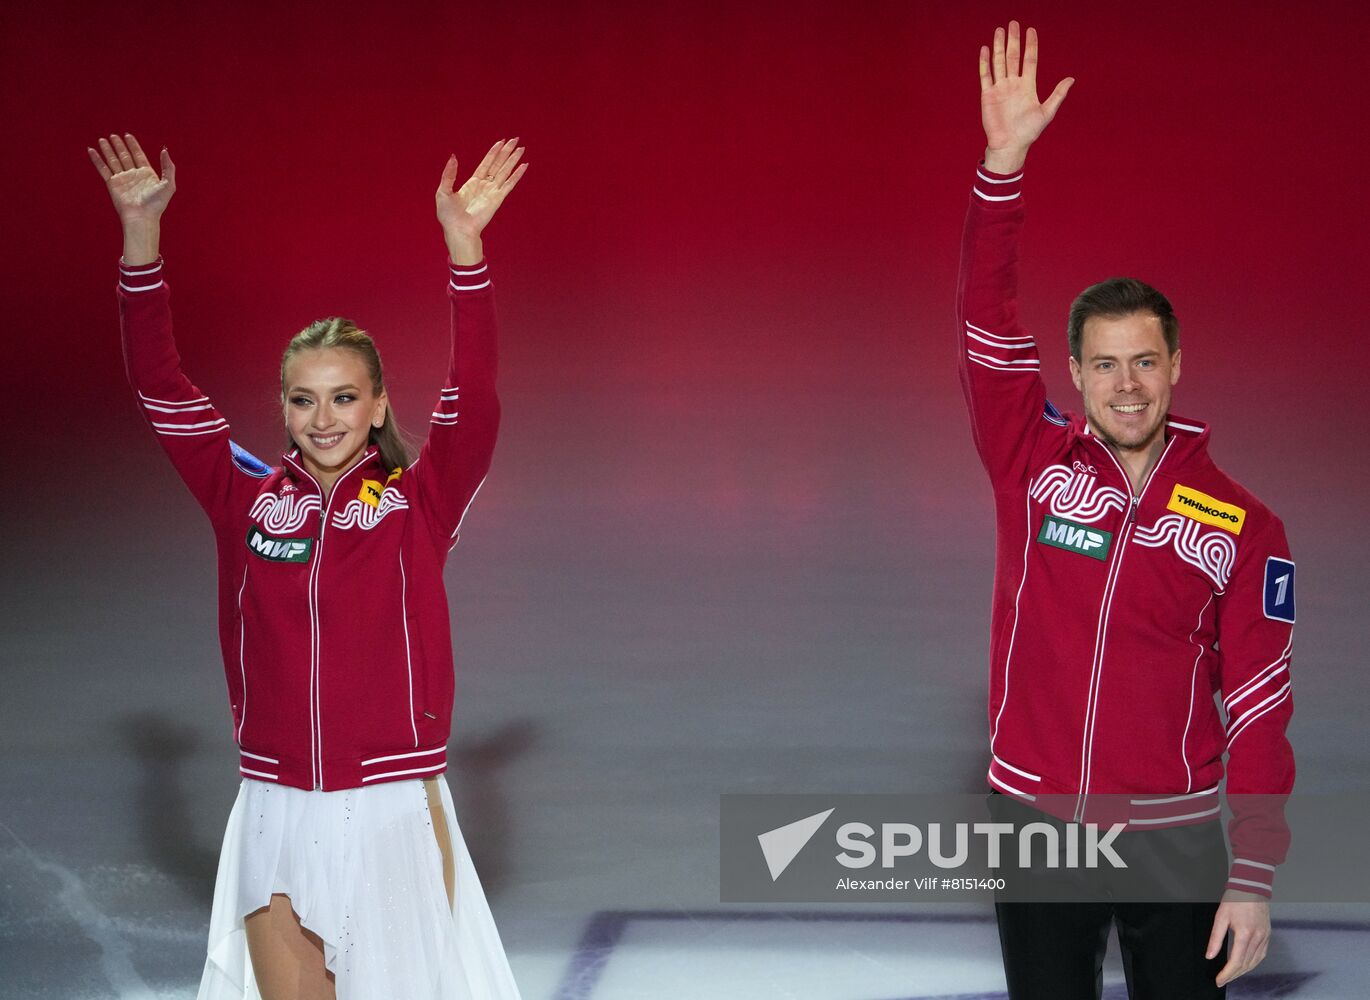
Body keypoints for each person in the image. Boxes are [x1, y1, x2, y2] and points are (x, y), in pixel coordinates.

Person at [89, 132, 527, 999]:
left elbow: (473, 401)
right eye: (303, 399)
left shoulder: (416, 501)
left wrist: (465, 253)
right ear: (283, 410)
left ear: (376, 407)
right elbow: (163, 388)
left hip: (393, 806)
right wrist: (141, 238)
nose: (322, 418)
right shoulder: (242, 497)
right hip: (273, 808)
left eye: (343, 397)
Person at [958, 22, 1295, 999]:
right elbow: (983, 319)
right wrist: (1002, 168)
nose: (1126, 384)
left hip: (1175, 841)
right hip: (1034, 823)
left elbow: (1262, 709)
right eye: (1102, 364)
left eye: (1143, 360)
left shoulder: (1242, 525)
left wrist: (1253, 874)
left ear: (1175, 365)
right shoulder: (1029, 461)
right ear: (1072, 373)